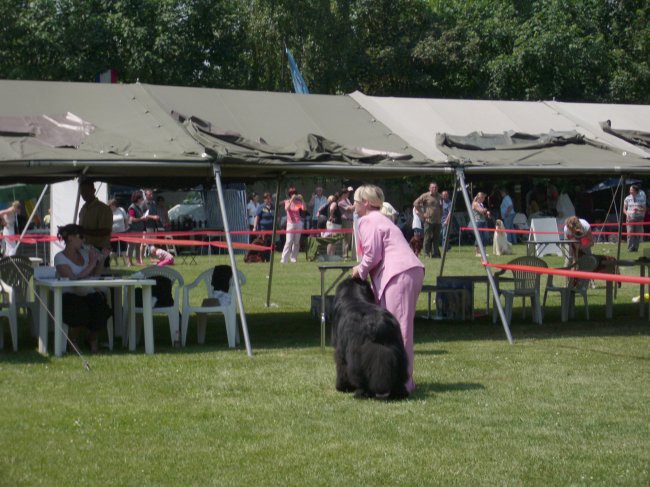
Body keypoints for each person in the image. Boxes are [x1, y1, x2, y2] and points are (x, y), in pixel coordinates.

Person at [351, 184, 424, 395]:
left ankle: (403, 381)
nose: (353, 205)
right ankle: (394, 376)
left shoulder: (367, 220)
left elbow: (373, 255)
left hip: (398, 274)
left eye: (356, 201)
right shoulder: (381, 219)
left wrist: (359, 271)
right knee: (397, 328)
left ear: (365, 202)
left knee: (398, 330)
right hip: (406, 271)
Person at [54, 224, 111, 353]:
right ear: (70, 238)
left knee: (102, 310)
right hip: (70, 295)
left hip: (87, 292)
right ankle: (72, 339)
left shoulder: (85, 254)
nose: (83, 240)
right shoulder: (59, 258)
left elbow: (95, 276)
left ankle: (91, 338)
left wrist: (101, 259)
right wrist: (91, 263)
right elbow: (73, 279)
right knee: (82, 312)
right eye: (80, 237)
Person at [78, 180, 113, 267]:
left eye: (86, 191)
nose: (84, 194)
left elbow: (106, 231)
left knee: (100, 277)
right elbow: (81, 229)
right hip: (85, 250)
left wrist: (84, 231)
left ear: (93, 190)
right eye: (82, 192)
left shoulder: (104, 209)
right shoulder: (83, 209)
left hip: (100, 250)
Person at [413, 182, 442, 258]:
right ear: (429, 188)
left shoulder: (439, 196)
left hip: (438, 221)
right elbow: (415, 203)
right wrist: (423, 214)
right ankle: (426, 254)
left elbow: (441, 207)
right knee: (427, 238)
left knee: (436, 238)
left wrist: (440, 215)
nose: (434, 189)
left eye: (435, 187)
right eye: (432, 187)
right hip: (429, 221)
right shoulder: (425, 195)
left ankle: (435, 254)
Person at [281, 187, 304, 264]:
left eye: (294, 193)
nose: (293, 195)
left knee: (296, 242)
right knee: (289, 241)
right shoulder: (287, 201)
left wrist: (302, 199)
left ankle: (293, 258)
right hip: (290, 223)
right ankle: (284, 259)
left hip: (298, 223)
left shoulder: (298, 202)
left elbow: (304, 209)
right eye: (291, 193)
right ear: (289, 194)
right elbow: (286, 209)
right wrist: (291, 200)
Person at [623, 184, 646, 252]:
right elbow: (624, 209)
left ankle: (635, 248)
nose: (630, 191)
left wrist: (638, 209)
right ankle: (630, 248)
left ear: (635, 191)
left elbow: (644, 209)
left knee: (637, 233)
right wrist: (627, 214)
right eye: (630, 190)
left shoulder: (641, 198)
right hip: (630, 218)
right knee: (630, 233)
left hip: (639, 217)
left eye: (631, 190)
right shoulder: (627, 198)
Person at [127, 191, 147, 266]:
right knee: (131, 247)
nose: (142, 199)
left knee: (138, 246)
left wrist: (144, 218)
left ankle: (138, 262)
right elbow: (131, 219)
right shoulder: (132, 207)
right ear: (138, 199)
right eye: (141, 198)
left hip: (139, 230)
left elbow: (139, 218)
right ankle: (129, 262)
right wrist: (141, 218)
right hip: (133, 230)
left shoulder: (139, 207)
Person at [254, 192, 275, 262]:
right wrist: (254, 227)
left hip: (271, 229)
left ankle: (268, 259)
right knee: (263, 244)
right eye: (267, 198)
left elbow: (276, 216)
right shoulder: (261, 207)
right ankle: (262, 259)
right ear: (264, 199)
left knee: (270, 245)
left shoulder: (273, 207)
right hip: (263, 229)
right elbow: (257, 217)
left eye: (269, 198)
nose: (268, 200)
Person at [109, 198, 129, 266]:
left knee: (124, 249)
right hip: (113, 233)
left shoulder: (121, 209)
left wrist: (126, 228)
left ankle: (126, 263)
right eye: (111, 205)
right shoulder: (108, 212)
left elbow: (126, 219)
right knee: (113, 250)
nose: (113, 206)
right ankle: (109, 263)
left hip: (122, 232)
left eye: (114, 204)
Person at [471, 192, 490, 257]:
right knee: (479, 237)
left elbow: (483, 211)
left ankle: (483, 252)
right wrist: (485, 210)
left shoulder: (481, 204)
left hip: (483, 221)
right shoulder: (475, 203)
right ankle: (477, 252)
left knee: (486, 237)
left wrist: (487, 212)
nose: (484, 199)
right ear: (479, 197)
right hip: (477, 222)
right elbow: (481, 211)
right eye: (483, 197)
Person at [338, 187, 355, 259]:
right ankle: (344, 255)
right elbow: (350, 209)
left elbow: (352, 209)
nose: (348, 194)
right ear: (343, 194)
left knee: (349, 239)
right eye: (347, 193)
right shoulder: (340, 202)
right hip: (346, 221)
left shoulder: (347, 200)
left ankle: (347, 255)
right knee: (345, 239)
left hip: (351, 220)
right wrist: (356, 204)